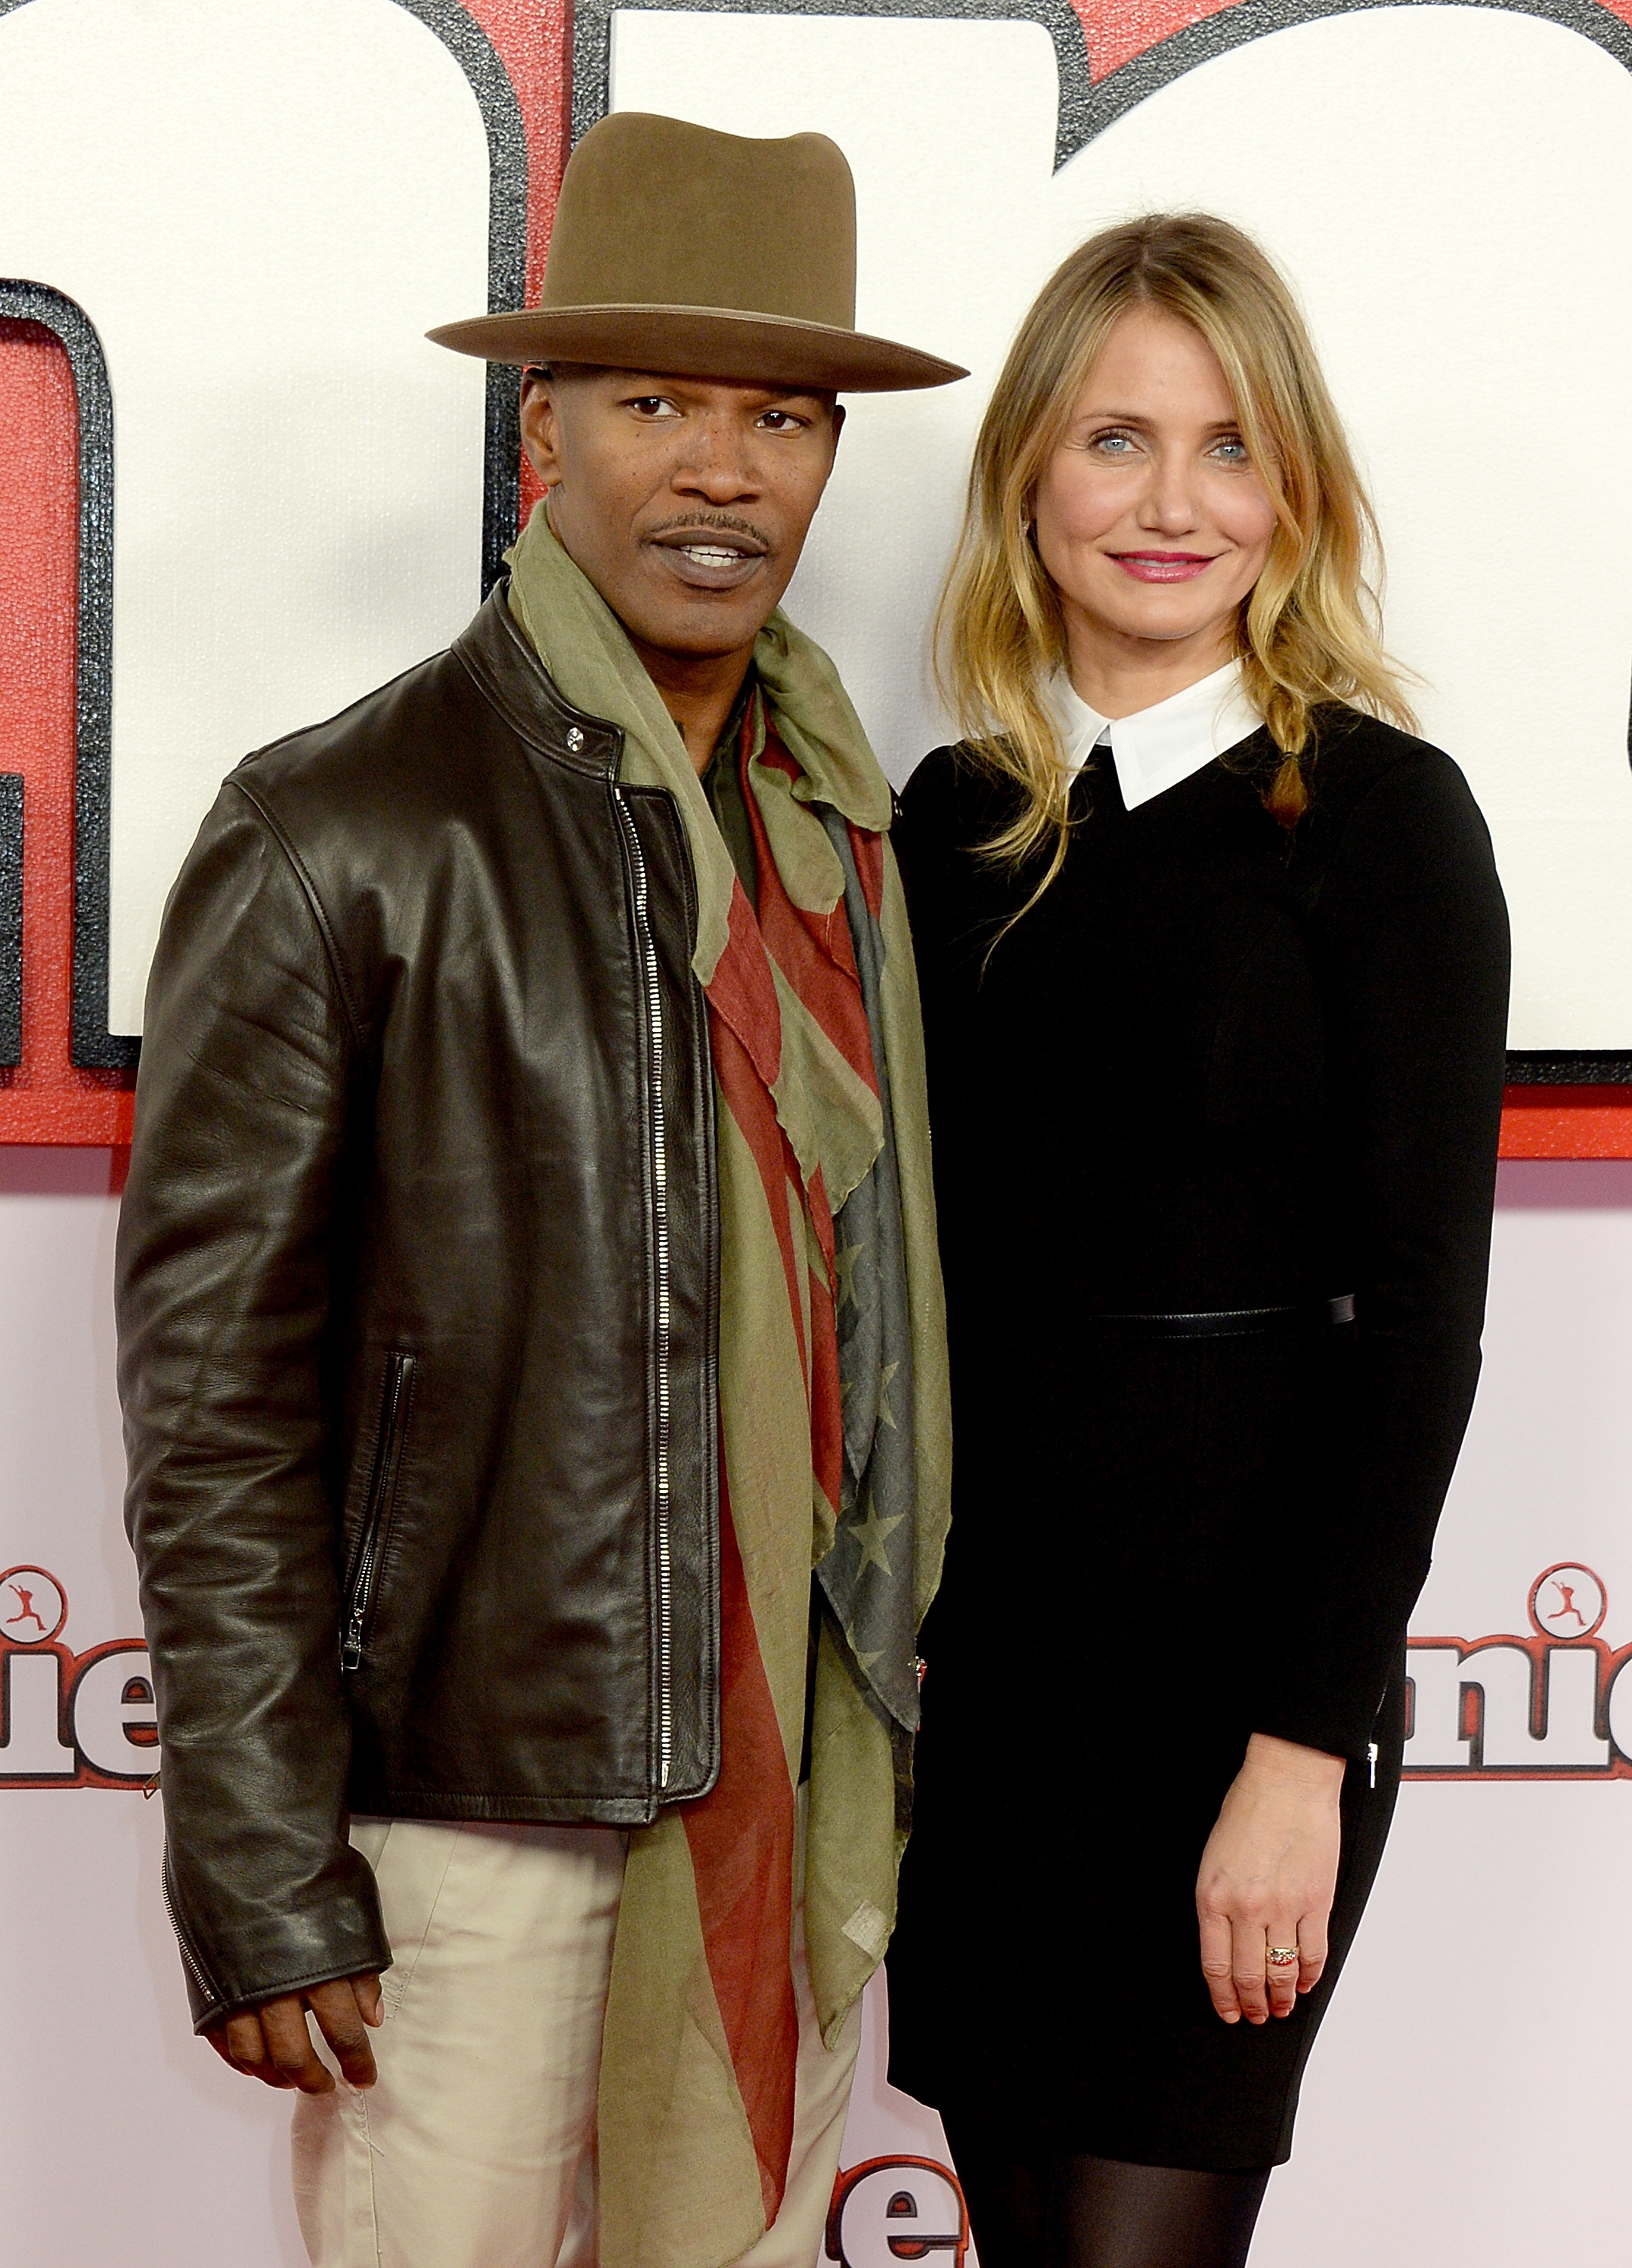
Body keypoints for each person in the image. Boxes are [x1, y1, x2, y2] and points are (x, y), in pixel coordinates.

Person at [116, 110, 959, 2268]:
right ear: (543, 439)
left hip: (788, 1779)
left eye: (783, 417)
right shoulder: (343, 821)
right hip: (470, 1815)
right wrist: (265, 1862)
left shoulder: (844, 836)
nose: (724, 470)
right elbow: (217, 1406)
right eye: (658, 402)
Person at [884, 213, 1510, 2267]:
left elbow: (1420, 1332)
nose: (1172, 504)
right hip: (991, 1703)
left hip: (1240, 1701)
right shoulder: (948, 825)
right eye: (1116, 440)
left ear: (1297, 490)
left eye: (1231, 447)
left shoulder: (1387, 823)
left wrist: (1297, 1755)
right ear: (1027, 485)